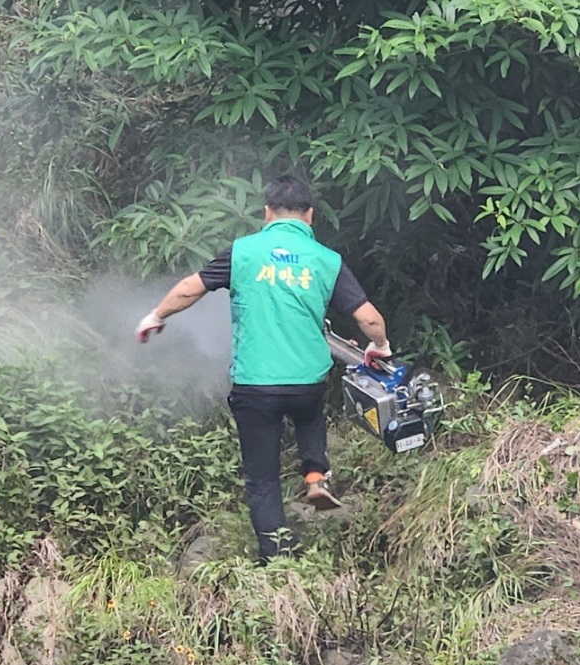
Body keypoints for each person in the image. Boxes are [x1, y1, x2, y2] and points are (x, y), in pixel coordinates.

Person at [134, 173, 391, 561]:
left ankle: (277, 559)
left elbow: (190, 288)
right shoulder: (326, 260)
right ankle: (315, 475)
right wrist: (380, 346)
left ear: (267, 212)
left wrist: (156, 315)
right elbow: (369, 318)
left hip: (255, 386)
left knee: (263, 479)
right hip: (307, 381)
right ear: (309, 216)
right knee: (309, 413)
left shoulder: (243, 252)